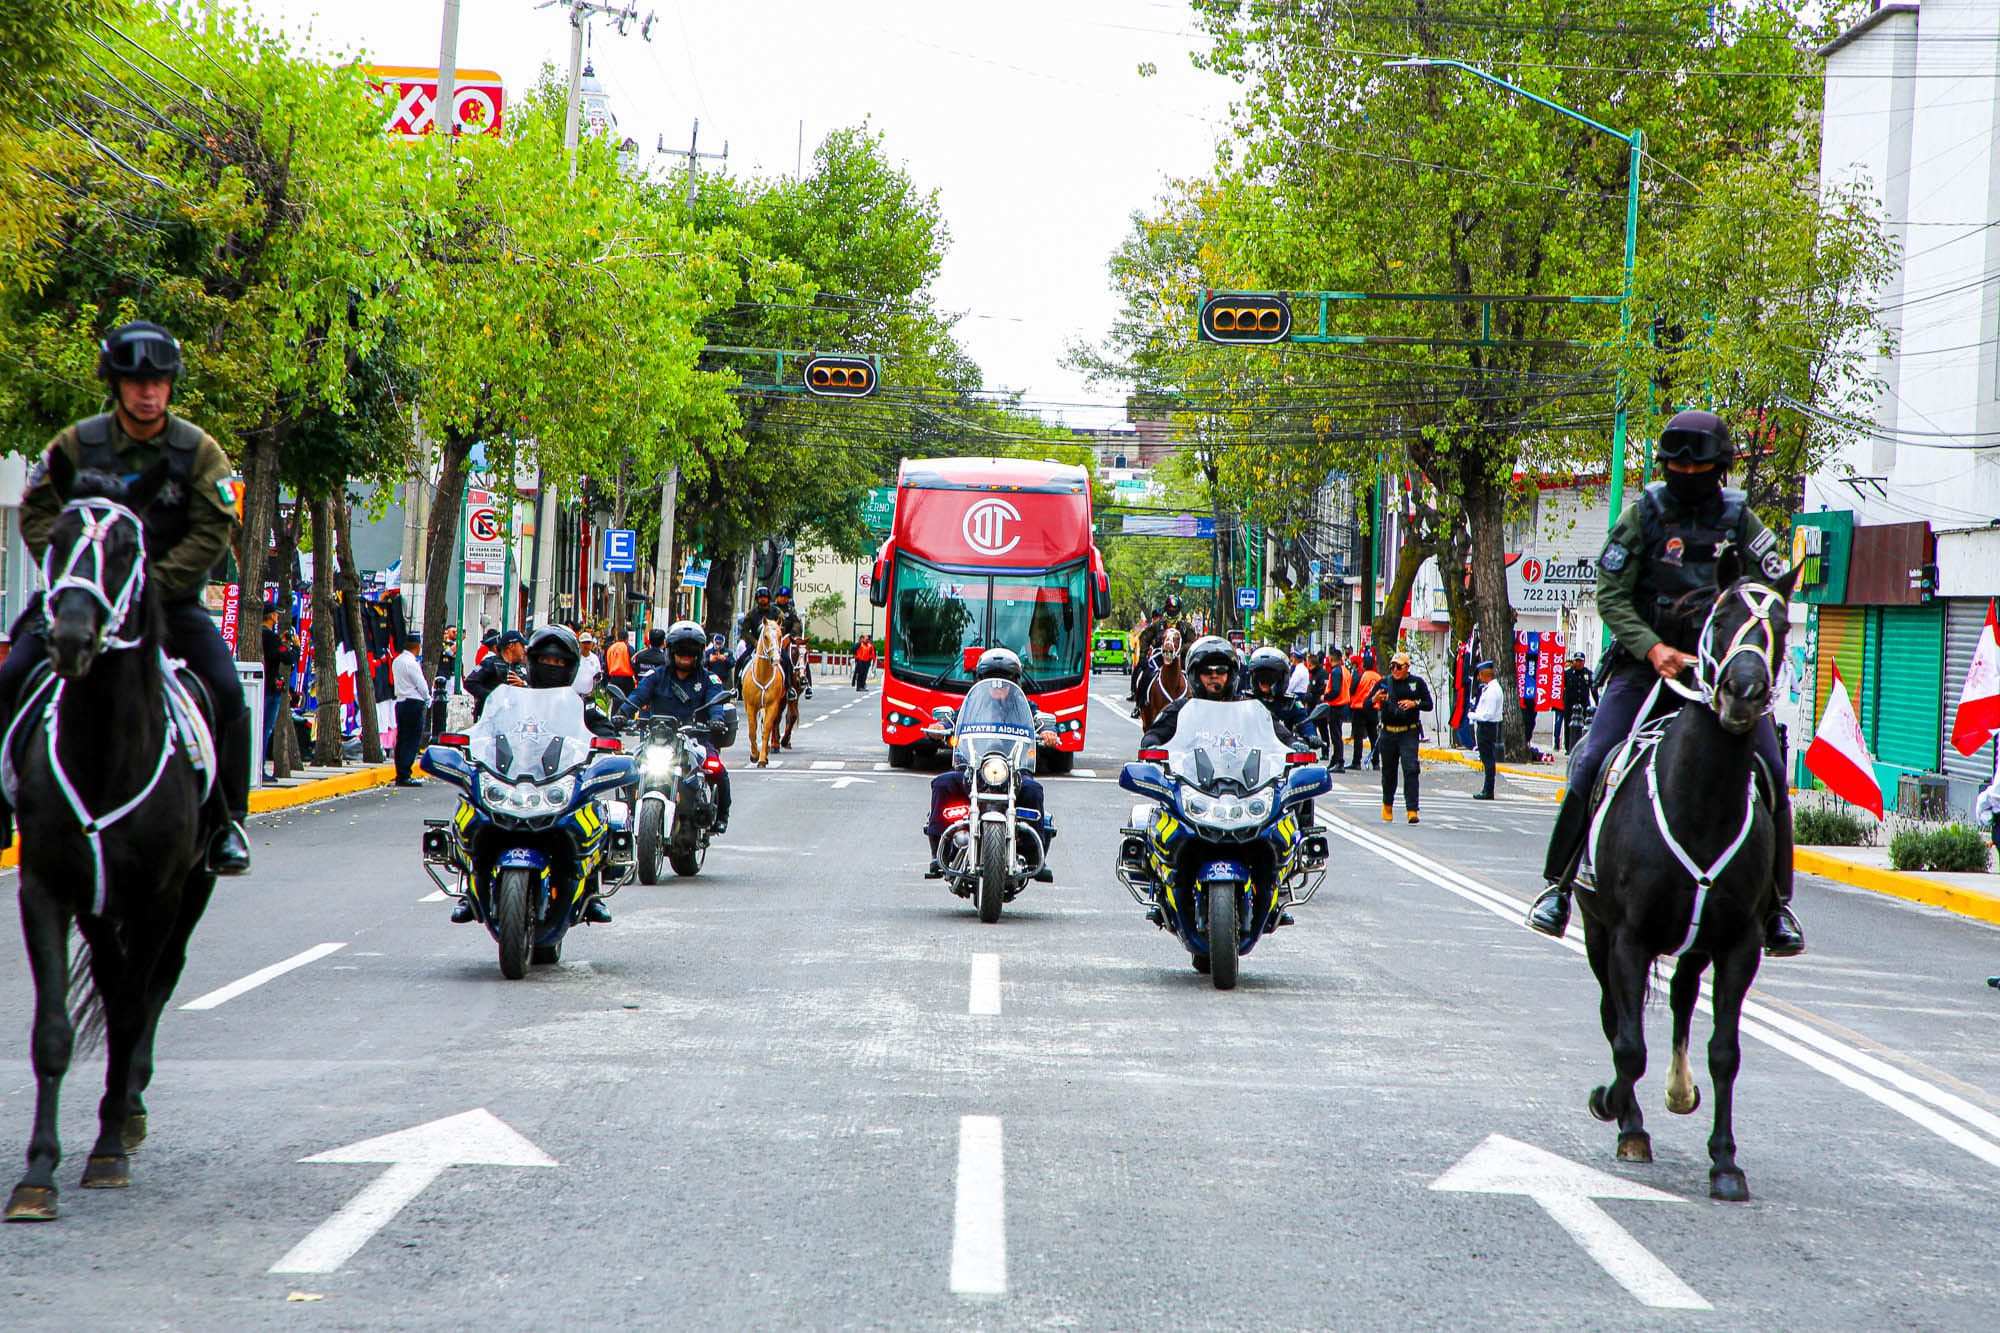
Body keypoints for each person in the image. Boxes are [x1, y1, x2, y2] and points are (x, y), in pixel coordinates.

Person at [1526, 410, 1803, 954]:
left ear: (1717, 468)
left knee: (1770, 769)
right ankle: (1557, 887)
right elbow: (1610, 591)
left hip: (1721, 672)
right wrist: (1652, 648)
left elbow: (1771, 582)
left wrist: (1745, 640)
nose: (1685, 472)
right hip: (1645, 664)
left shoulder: (1741, 519)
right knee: (1592, 758)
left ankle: (1775, 907)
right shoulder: (1643, 515)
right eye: (1676, 464)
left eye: (1696, 465)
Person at [0, 320, 251, 873]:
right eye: (134, 380)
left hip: (167, 603)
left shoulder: (198, 452)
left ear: (170, 385)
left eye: (158, 380)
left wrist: (146, 584)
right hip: (81, 600)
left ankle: (227, 823)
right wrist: (75, 573)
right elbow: (39, 511)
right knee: (11, 674)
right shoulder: (77, 444)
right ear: (114, 384)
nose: (147, 391)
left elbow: (212, 530)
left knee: (229, 691)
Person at [924, 648, 1058, 880]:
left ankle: (1036, 857)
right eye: (991, 679)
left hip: (1012, 772)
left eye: (1005, 680)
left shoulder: (1025, 706)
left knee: (1034, 790)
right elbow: (952, 720)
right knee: (942, 784)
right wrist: (941, 727)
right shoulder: (971, 705)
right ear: (980, 680)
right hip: (974, 770)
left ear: (1015, 681)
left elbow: (1041, 722)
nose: (998, 685)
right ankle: (940, 853)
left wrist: (1047, 731)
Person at [617, 620, 732, 842]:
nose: (685, 655)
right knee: (627, 766)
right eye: (680, 650)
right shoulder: (656, 676)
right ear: (671, 651)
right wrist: (622, 713)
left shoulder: (709, 680)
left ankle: (721, 815)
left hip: (695, 739)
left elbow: (715, 704)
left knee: (716, 768)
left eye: (690, 651)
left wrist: (716, 720)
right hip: (657, 739)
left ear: (698, 653)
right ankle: (627, 813)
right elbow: (637, 696)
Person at [1141, 636, 1303, 749]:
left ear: (1231, 674)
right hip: (1190, 787)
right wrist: (1152, 744)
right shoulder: (1181, 709)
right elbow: (1155, 733)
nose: (1214, 675)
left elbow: (1277, 732)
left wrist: (1293, 744)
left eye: (1221, 670)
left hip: (1244, 786)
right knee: (1143, 676)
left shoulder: (1248, 708)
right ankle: (1139, 698)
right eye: (1206, 671)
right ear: (1195, 675)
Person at [1369, 651, 1432, 823]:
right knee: (1389, 772)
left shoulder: (1416, 683)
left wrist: (1414, 704)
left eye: (1399, 667)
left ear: (1407, 667)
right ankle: (1387, 805)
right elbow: (1367, 703)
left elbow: (1429, 704)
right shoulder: (1384, 682)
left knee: (1411, 769)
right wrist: (1375, 699)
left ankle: (1412, 809)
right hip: (1388, 732)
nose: (1395, 670)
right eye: (1392, 666)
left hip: (1408, 732)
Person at [1242, 645, 1317, 746]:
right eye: (1260, 676)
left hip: (1282, 753)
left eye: (1269, 677)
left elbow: (1303, 720)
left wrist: (1311, 735)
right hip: (1249, 752)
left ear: (1281, 679)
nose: (1264, 680)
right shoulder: (1245, 701)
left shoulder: (1289, 703)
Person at [735, 585, 801, 696]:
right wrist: (754, 642)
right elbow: (744, 632)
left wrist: (780, 639)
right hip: (756, 645)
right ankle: (736, 688)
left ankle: (789, 688)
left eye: (765, 597)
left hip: (773, 645)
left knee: (787, 662)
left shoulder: (776, 612)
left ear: (769, 599)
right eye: (760, 598)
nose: (763, 599)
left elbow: (783, 626)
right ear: (757, 599)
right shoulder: (751, 614)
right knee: (741, 661)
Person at [1130, 595, 1184, 717]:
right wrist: (1143, 656)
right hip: (1160, 656)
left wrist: (1180, 648)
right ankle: (1138, 703)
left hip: (1179, 657)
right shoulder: (1157, 624)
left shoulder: (1185, 626)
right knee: (1144, 673)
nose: (1172, 609)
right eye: (1170, 607)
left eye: (1175, 608)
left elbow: (1191, 642)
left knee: (1194, 677)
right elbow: (1144, 638)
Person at [260, 601, 298, 771]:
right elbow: (288, 658)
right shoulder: (270, 637)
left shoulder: (260, 634)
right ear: (271, 616)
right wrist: (296, 647)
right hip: (270, 688)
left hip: (263, 686)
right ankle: (260, 768)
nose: (277, 617)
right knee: (266, 729)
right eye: (276, 614)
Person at [391, 630, 428, 787]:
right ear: (417, 646)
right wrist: (427, 697)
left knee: (402, 738)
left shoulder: (398, 660)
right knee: (411, 739)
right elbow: (421, 685)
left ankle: (401, 772)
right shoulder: (411, 663)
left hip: (400, 701)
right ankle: (405, 774)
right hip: (413, 702)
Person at [464, 629, 527, 720]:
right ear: (511, 646)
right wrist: (493, 696)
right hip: (492, 718)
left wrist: (523, 685)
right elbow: (470, 683)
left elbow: (533, 691)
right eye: (521, 645)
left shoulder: (522, 668)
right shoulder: (490, 663)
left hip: (515, 719)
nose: (524, 650)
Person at [1469, 660, 1505, 800]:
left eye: (1479, 675)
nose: (1478, 678)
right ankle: (1487, 789)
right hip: (1487, 726)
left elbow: (1487, 714)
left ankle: (1488, 790)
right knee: (1487, 759)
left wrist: (1472, 715)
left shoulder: (1492, 691)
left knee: (1488, 760)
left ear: (1484, 675)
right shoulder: (1491, 688)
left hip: (1487, 727)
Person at [1320, 646, 1351, 772]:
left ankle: (1339, 761)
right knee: (1336, 734)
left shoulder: (1336, 672)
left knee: (1336, 735)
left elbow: (1336, 690)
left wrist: (1325, 697)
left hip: (1337, 705)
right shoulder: (1345, 670)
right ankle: (1336, 759)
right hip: (1344, 704)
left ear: (1332, 659)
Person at [1557, 651, 1595, 755]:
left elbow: (1593, 689)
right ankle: (1569, 748)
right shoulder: (1567, 673)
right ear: (1573, 661)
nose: (1578, 663)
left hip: (1583, 705)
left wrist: (1597, 703)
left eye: (1580, 661)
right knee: (1569, 726)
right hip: (1570, 704)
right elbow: (1560, 688)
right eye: (1576, 661)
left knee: (1584, 727)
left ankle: (1582, 748)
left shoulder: (1588, 673)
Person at [1349, 652, 1381, 771]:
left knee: (1358, 737)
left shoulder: (1359, 676)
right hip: (1373, 709)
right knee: (1374, 736)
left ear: (1363, 665)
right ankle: (1376, 762)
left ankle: (1356, 762)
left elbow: (1351, 691)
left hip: (1359, 708)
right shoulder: (1379, 678)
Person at [604, 631, 635, 697]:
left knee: (615, 701)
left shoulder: (610, 648)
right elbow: (633, 663)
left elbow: (606, 665)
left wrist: (607, 679)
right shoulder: (628, 648)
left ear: (617, 638)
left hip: (614, 679)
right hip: (627, 680)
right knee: (628, 702)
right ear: (627, 639)